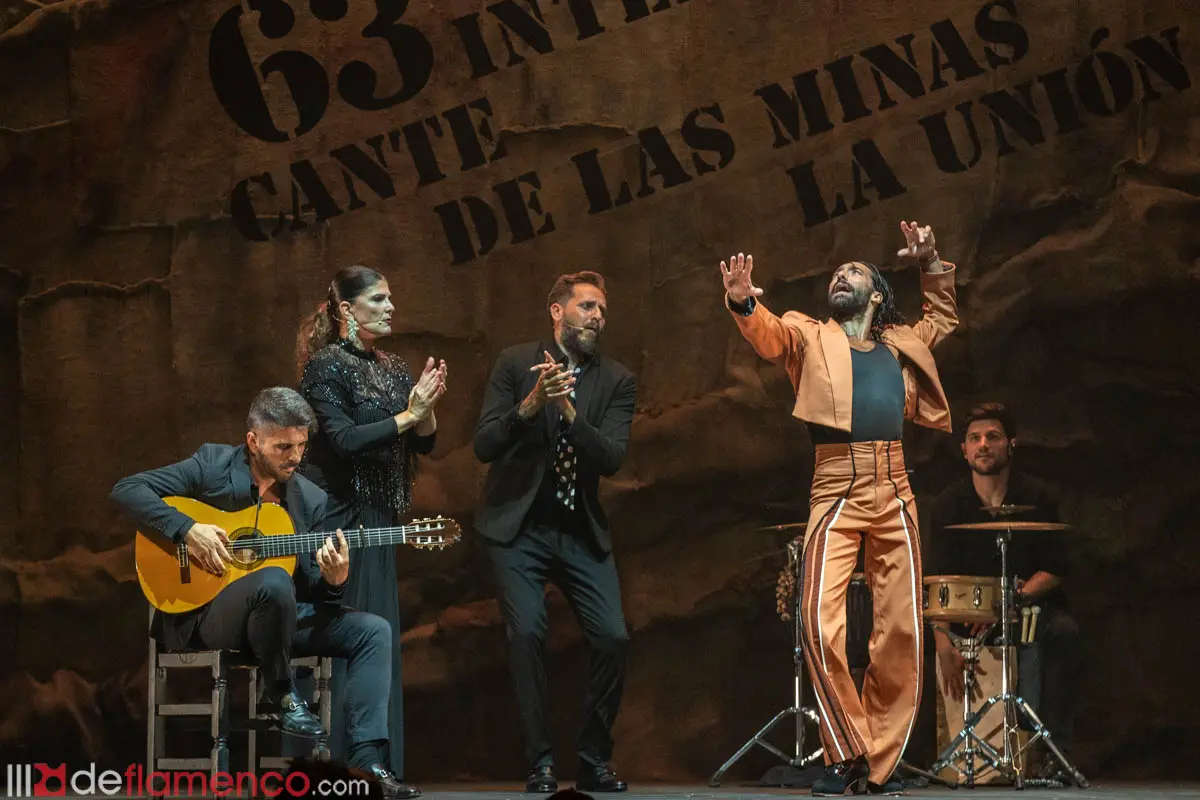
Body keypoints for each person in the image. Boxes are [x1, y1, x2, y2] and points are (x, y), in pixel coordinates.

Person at [721, 221, 958, 796]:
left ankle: (877, 762)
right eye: (836, 273)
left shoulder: (901, 341)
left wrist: (930, 263)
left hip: (895, 484)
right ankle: (847, 747)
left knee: (900, 629)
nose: (840, 277)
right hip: (836, 483)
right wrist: (743, 299)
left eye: (854, 272)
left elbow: (943, 318)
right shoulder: (808, 333)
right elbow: (769, 333)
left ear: (877, 293)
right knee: (817, 623)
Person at [110, 388, 411, 797]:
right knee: (272, 580)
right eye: (283, 446)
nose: (295, 456)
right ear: (253, 441)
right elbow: (127, 490)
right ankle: (284, 695)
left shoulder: (310, 499)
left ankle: (367, 762)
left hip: (278, 620)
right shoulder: (213, 465)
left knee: (372, 630)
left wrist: (334, 581)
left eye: (302, 445)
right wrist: (188, 529)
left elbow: (312, 591)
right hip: (210, 614)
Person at [473, 271, 636, 794]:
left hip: (578, 528)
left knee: (612, 638)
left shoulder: (616, 380)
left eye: (602, 310)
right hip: (518, 529)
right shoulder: (515, 363)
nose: (597, 317)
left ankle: (592, 758)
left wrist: (567, 412)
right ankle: (541, 761)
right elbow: (484, 445)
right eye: (587, 307)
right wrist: (530, 405)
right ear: (557, 311)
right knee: (526, 635)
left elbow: (610, 457)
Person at [295, 265, 448, 799]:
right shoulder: (324, 367)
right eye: (379, 299)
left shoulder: (395, 367)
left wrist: (424, 414)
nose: (390, 307)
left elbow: (422, 443)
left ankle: (374, 766)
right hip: (340, 517)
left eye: (391, 298)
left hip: (381, 517)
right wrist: (410, 416)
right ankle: (340, 772)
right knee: (350, 632)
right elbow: (343, 439)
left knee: (378, 636)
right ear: (346, 309)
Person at [924, 401, 1079, 777]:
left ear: (1011, 444)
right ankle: (962, 760)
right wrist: (942, 645)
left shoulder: (1038, 497)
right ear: (964, 450)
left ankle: (1051, 754)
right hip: (968, 618)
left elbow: (1057, 569)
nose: (983, 445)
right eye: (974, 438)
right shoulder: (948, 505)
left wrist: (1017, 598)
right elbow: (934, 583)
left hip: (1027, 609)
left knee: (1063, 632)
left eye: (993, 437)